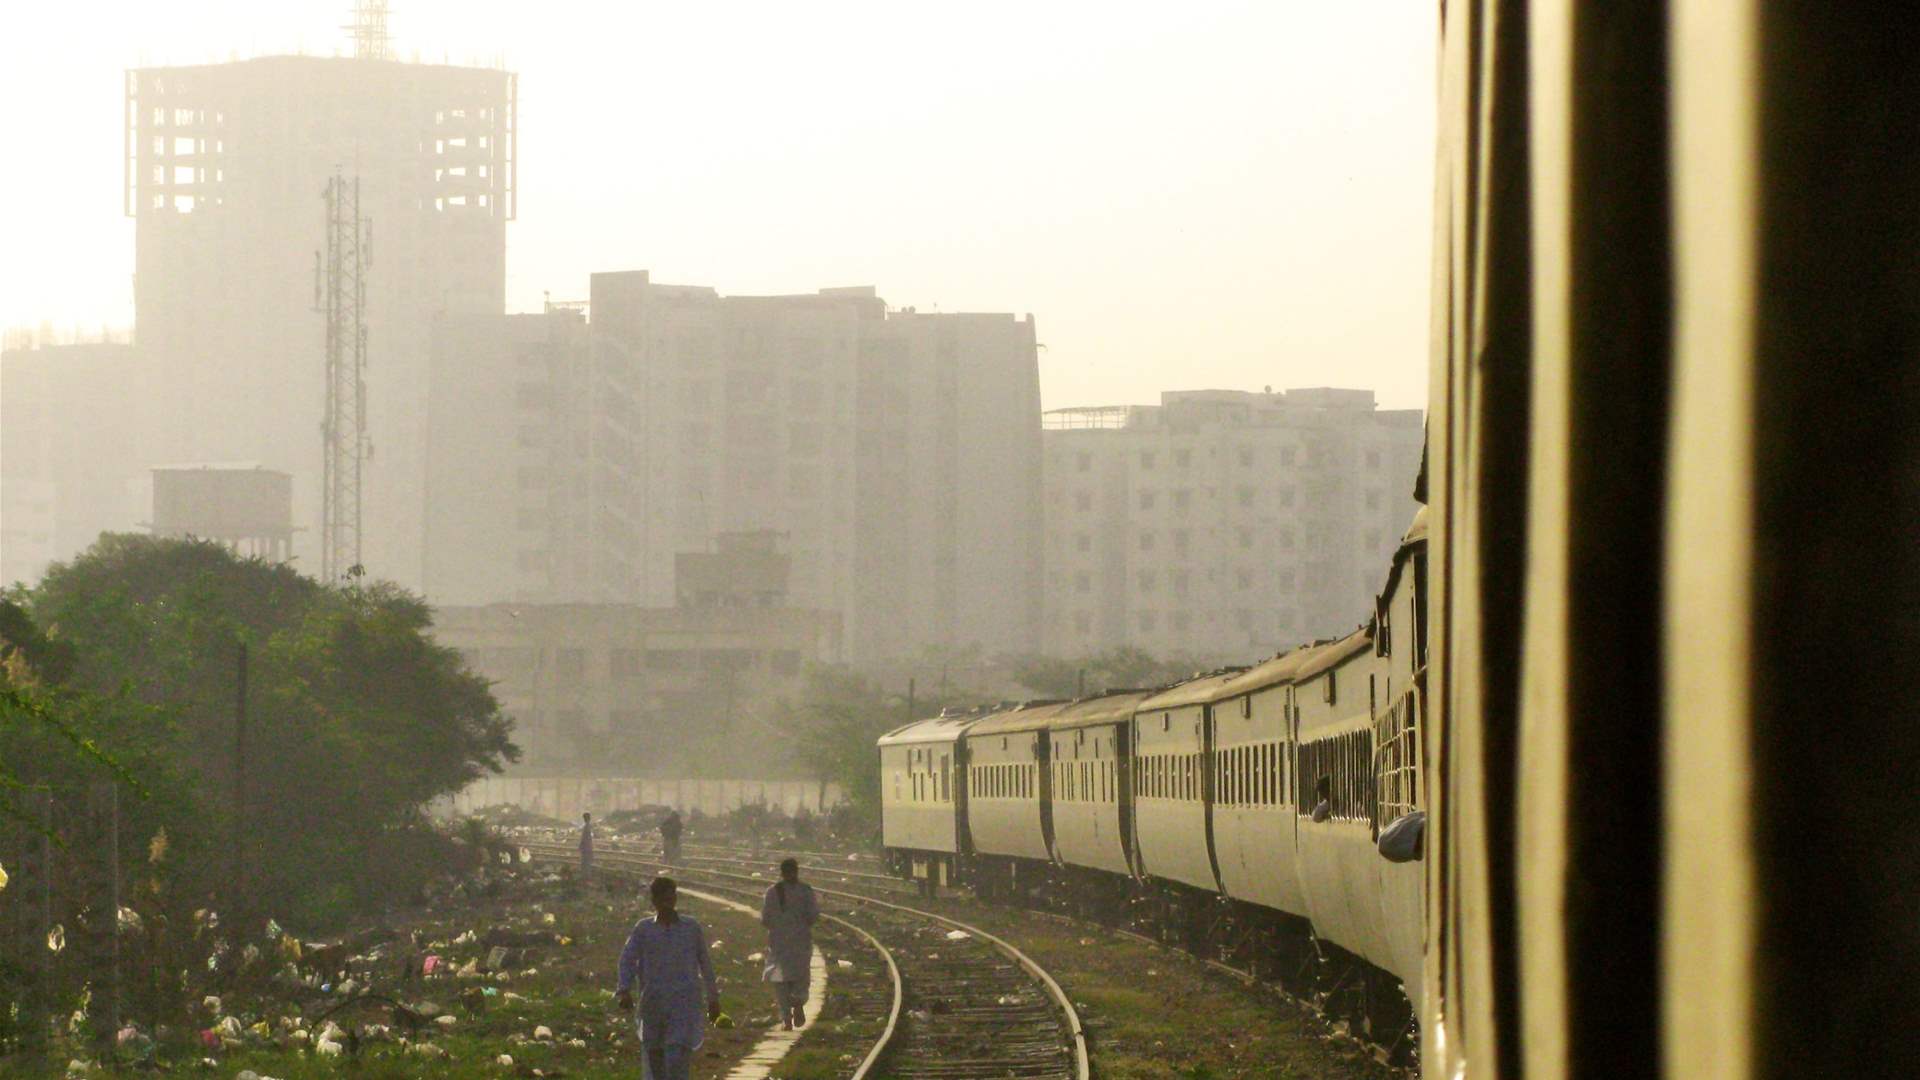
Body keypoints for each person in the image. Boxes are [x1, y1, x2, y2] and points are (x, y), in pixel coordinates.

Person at [616, 876, 721, 1080]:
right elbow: (627, 959)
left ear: (675, 899)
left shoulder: (691, 928)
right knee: (655, 1057)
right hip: (652, 1004)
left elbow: (705, 964)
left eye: (671, 898)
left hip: (683, 1004)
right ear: (653, 901)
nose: (667, 903)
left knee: (676, 1056)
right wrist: (624, 989)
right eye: (662, 899)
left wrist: (713, 999)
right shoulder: (644, 929)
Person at [759, 857, 820, 1030]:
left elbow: (765, 919)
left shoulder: (772, 892)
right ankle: (798, 1004)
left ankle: (786, 1018)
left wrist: (778, 927)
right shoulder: (806, 891)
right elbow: (813, 916)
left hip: (778, 944)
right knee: (800, 977)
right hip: (801, 942)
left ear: (781, 873)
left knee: (780, 981)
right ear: (796, 871)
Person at [579, 812, 595, 883]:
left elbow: (584, 838)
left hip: (586, 848)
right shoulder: (588, 827)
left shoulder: (586, 827)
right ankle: (586, 877)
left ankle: (586, 878)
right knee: (586, 863)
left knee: (585, 863)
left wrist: (581, 846)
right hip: (588, 847)